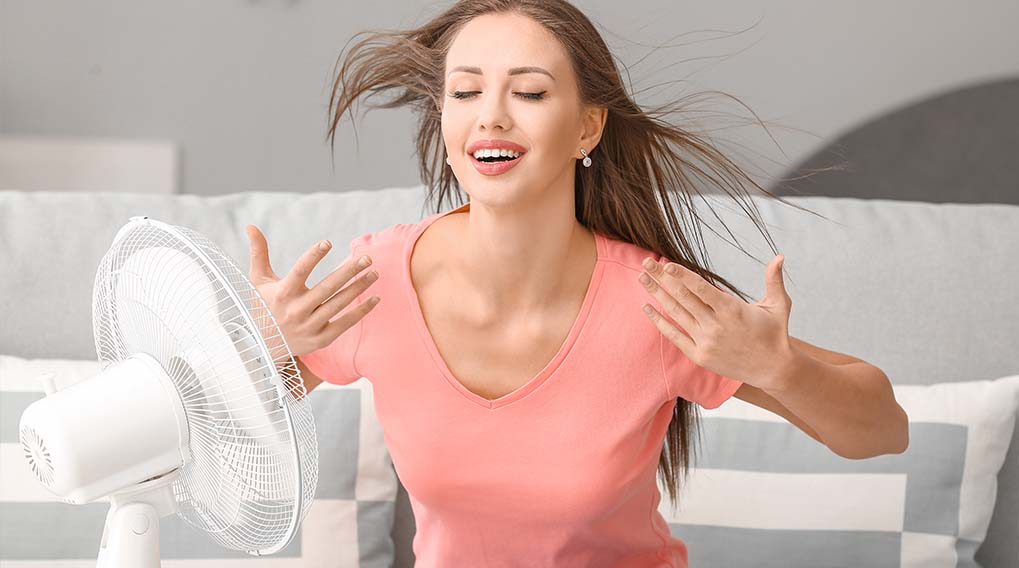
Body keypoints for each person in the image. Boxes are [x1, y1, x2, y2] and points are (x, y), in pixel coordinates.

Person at [246, 1, 909, 565]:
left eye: (529, 93)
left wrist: (778, 367)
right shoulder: (377, 286)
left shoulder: (652, 302)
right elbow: (224, 435)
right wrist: (262, 347)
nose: (490, 117)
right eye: (465, 92)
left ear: (586, 128)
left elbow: (882, 431)